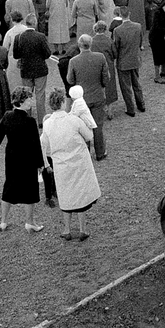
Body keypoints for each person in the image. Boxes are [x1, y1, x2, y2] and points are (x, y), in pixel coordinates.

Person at [39, 88, 100, 241]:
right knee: (80, 195)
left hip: (61, 164)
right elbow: (90, 135)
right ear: (62, 102)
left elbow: (43, 144)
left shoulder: (48, 124)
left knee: (66, 196)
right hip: (78, 162)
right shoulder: (73, 120)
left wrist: (46, 164)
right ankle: (82, 229)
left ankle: (66, 229)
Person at [0, 86, 44, 233]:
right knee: (30, 191)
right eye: (29, 99)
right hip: (28, 160)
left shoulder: (7, 116)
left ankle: (3, 221)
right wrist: (40, 163)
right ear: (23, 101)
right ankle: (30, 222)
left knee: (9, 188)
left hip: (12, 159)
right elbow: (36, 145)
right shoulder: (30, 121)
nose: (31, 101)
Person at [65, 34, 109, 161]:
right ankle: (100, 152)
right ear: (91, 44)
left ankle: (86, 153)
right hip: (98, 96)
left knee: (83, 126)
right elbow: (106, 78)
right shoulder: (100, 57)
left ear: (79, 45)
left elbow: (70, 79)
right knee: (98, 126)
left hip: (82, 99)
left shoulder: (73, 61)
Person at [112, 6, 145, 118]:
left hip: (123, 61)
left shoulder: (117, 30)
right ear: (129, 14)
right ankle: (141, 104)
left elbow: (116, 47)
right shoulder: (138, 26)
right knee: (136, 83)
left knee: (126, 86)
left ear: (120, 15)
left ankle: (130, 108)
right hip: (135, 59)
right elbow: (140, 41)